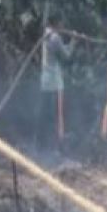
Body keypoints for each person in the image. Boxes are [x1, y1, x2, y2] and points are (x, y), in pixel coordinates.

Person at [39, 14, 74, 150]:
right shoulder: (55, 37)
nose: (63, 26)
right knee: (58, 115)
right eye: (61, 23)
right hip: (54, 82)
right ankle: (59, 144)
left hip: (45, 80)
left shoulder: (46, 35)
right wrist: (74, 41)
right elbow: (67, 56)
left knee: (47, 114)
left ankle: (46, 145)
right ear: (57, 23)